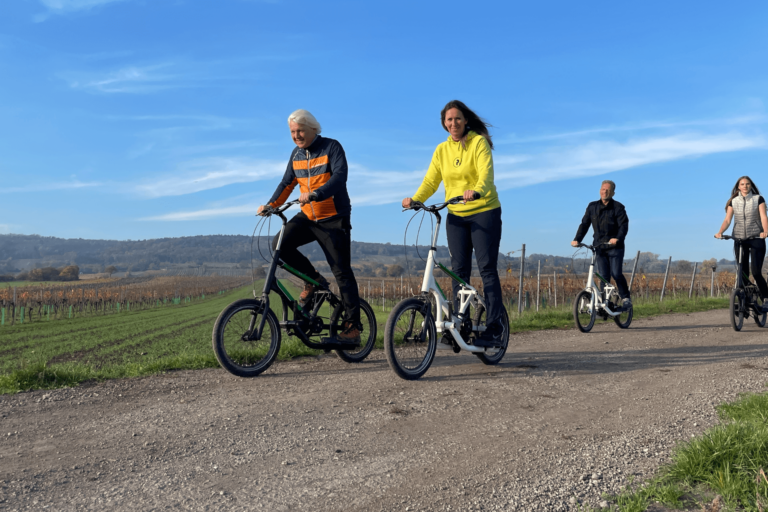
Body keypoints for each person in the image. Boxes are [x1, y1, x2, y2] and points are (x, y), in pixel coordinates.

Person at [401, 100, 504, 347]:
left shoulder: (478, 142)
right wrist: (416, 199)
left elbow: (486, 176)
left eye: (457, 119)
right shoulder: (441, 150)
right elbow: (431, 181)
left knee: (487, 268)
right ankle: (460, 323)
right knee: (458, 271)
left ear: (465, 120)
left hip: (484, 211)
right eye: (449, 120)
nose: (453, 123)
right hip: (456, 214)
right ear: (444, 124)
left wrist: (476, 191)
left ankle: (495, 327)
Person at [257, 109, 361, 343]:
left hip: (334, 217)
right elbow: (287, 183)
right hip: (308, 216)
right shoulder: (296, 155)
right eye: (293, 132)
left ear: (313, 129)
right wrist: (270, 206)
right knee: (280, 244)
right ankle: (313, 279)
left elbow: (339, 177)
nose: (296, 135)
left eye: (300, 130)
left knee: (342, 271)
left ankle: (353, 327)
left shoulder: (332, 147)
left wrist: (317, 193)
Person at [571, 180, 631, 307]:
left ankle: (626, 298)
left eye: (608, 190)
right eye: (603, 189)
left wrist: (617, 238)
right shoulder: (592, 207)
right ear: (600, 190)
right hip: (599, 246)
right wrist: (577, 239)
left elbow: (623, 227)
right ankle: (604, 302)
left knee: (616, 273)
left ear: (613, 193)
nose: (605, 192)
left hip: (615, 247)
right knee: (603, 276)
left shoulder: (618, 208)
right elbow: (585, 224)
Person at [715, 176, 768, 310]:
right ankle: (747, 299)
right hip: (739, 239)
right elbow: (727, 220)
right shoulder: (734, 201)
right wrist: (720, 232)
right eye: (742, 184)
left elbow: (763, 216)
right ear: (738, 187)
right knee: (742, 272)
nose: (745, 186)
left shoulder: (758, 199)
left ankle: (766, 297)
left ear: (751, 186)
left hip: (756, 238)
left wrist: (765, 231)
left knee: (756, 272)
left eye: (747, 184)